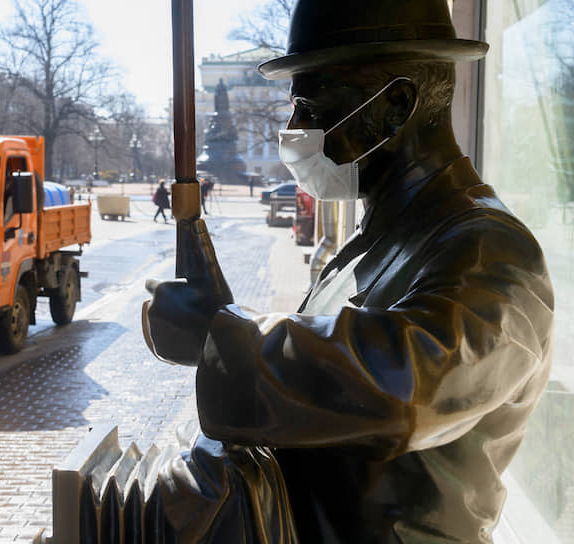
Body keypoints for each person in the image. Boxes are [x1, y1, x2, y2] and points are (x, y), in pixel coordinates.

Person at [140, 0, 554, 542]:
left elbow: (407, 386)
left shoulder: (492, 250)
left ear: (395, 105)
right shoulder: (378, 236)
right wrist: (225, 316)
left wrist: (221, 338)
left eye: (311, 107)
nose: (294, 130)